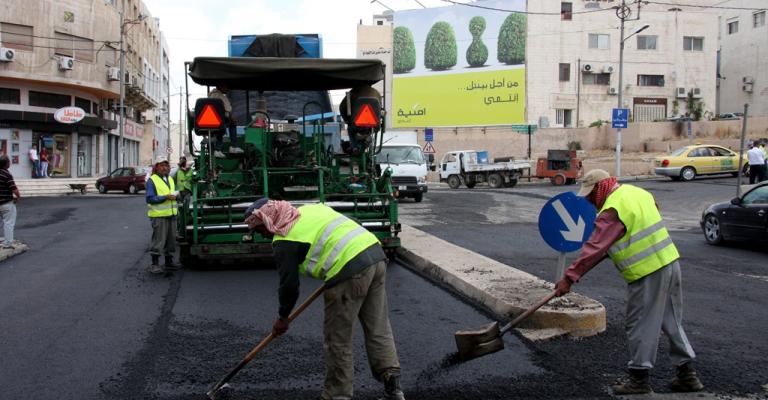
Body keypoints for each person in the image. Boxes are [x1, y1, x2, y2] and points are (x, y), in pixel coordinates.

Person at [554, 169, 703, 395]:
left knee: (640, 324)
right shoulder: (638, 193)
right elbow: (640, 224)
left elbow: (594, 248)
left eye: (590, 196)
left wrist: (568, 278)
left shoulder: (612, 209)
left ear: (599, 188)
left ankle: (639, 379)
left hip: (647, 272)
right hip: (670, 263)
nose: (591, 201)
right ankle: (687, 375)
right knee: (671, 321)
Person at [244, 199, 405, 400]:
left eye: (260, 230)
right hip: (374, 255)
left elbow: (289, 286)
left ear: (268, 219)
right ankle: (394, 389)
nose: (263, 235)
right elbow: (352, 221)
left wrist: (283, 317)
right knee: (378, 327)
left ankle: (337, 395)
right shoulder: (311, 210)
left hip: (349, 271)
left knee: (338, 338)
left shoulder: (283, 239)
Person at [145, 158, 182, 274]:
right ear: (156, 167)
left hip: (171, 215)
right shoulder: (152, 180)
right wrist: (165, 197)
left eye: (167, 165)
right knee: (158, 240)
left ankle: (169, 262)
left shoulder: (170, 179)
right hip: (159, 216)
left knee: (170, 240)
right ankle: (154, 264)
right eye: (162, 165)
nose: (165, 168)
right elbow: (150, 198)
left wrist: (177, 196)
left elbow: (176, 192)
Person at [208, 85, 244, 158]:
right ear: (220, 86)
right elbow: (228, 109)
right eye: (226, 87)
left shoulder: (210, 95)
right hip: (219, 122)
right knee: (232, 123)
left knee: (220, 127)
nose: (228, 89)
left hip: (210, 122)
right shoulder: (221, 97)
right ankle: (234, 146)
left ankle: (217, 150)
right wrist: (232, 119)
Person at [0, 156, 21, 249]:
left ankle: (4, 240)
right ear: (6, 164)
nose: (10, 164)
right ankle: (7, 243)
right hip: (6, 202)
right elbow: (14, 188)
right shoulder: (6, 174)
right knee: (8, 223)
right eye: (9, 162)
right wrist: (18, 197)